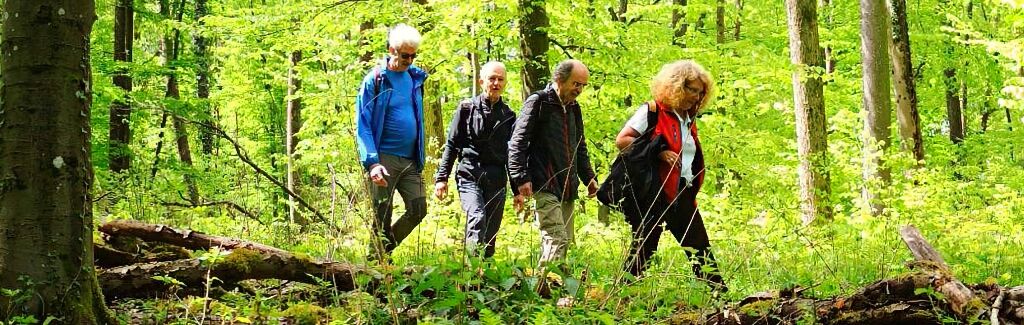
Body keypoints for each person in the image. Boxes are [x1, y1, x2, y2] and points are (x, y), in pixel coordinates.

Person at [612, 60, 726, 290]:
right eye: (691, 89)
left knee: (699, 245)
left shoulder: (688, 119)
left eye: (700, 92)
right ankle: (622, 292)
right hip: (655, 191)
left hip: (682, 191)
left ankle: (721, 298)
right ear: (676, 86)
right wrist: (659, 153)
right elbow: (622, 141)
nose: (695, 96)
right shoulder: (653, 111)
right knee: (646, 246)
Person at [508, 59, 598, 275]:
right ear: (560, 79)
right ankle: (542, 287)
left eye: (583, 85)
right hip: (544, 182)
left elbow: (580, 146)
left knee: (563, 242)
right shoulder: (538, 102)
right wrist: (521, 178)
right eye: (576, 84)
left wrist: (589, 178)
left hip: (567, 187)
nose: (579, 90)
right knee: (556, 238)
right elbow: (517, 142)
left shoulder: (574, 109)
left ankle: (551, 293)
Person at [355, 24, 429, 261]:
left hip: (410, 160)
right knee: (382, 215)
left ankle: (378, 255)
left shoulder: (415, 79)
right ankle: (375, 277)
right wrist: (372, 163)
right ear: (391, 50)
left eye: (413, 55)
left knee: (418, 209)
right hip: (383, 158)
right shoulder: (375, 80)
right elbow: (363, 124)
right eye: (404, 55)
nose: (409, 60)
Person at [433, 61, 516, 258]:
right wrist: (441, 178)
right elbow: (452, 144)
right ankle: (470, 272)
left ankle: (483, 278)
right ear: (481, 81)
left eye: (500, 79)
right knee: (477, 217)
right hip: (469, 173)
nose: (496, 83)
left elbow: (512, 154)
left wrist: (517, 187)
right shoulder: (466, 109)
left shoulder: (509, 116)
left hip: (496, 178)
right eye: (492, 79)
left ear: (504, 83)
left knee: (490, 233)